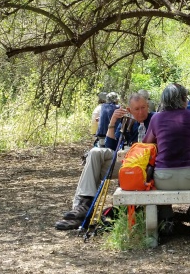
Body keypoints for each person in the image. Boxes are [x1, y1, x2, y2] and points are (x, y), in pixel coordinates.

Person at [55, 92, 153, 231]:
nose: (141, 112)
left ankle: (81, 214)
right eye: (137, 109)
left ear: (147, 106)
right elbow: (110, 147)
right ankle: (82, 209)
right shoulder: (127, 122)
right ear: (130, 110)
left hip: (143, 166)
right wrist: (113, 121)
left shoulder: (155, 119)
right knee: (94, 154)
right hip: (123, 162)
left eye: (143, 107)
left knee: (92, 168)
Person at [141, 83, 190, 235]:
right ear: (183, 99)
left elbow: (146, 142)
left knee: (156, 183)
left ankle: (167, 218)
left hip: (164, 178)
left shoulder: (156, 118)